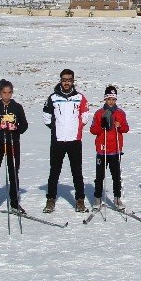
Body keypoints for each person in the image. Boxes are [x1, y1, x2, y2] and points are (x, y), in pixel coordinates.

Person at [43, 69, 90, 213]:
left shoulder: (80, 97)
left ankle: (80, 200)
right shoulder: (52, 98)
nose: (66, 82)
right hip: (58, 140)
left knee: (77, 171)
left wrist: (76, 128)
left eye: (69, 80)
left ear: (73, 81)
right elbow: (46, 116)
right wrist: (56, 128)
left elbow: (85, 115)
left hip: (74, 140)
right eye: (64, 79)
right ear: (60, 81)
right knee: (54, 171)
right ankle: (51, 199)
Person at [0, 79, 29, 215]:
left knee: (13, 173)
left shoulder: (17, 107)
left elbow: (24, 125)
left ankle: (14, 203)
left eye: (9, 93)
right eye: (4, 93)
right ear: (0, 93)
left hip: (13, 143)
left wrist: (16, 128)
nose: (7, 96)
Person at [89, 85, 129, 209]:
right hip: (102, 149)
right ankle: (97, 198)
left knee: (116, 176)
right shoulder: (99, 113)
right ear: (105, 99)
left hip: (115, 150)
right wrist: (101, 126)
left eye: (113, 99)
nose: (111, 101)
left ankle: (117, 198)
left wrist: (119, 125)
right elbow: (92, 130)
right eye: (108, 99)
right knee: (99, 176)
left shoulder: (120, 113)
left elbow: (126, 128)